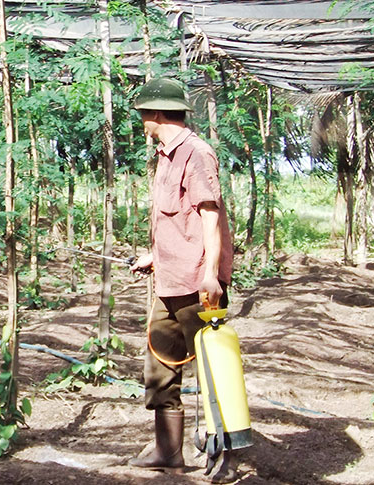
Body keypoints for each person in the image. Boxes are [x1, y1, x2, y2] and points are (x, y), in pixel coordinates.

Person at [127, 78, 236, 484]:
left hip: (197, 284)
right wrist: (154, 256)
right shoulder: (164, 157)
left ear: (156, 113)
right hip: (169, 280)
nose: (142, 121)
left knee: (213, 369)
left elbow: (210, 216)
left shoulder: (196, 153)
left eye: (143, 114)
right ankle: (169, 451)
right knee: (160, 364)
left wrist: (211, 274)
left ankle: (226, 455)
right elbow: (177, 221)